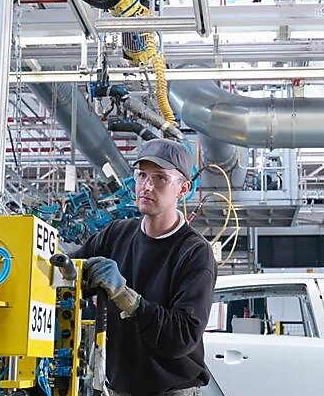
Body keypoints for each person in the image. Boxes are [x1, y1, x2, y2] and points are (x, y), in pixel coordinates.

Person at [75, 139, 218, 396]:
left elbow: (182, 337)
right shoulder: (115, 235)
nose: (147, 186)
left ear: (183, 189)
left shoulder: (195, 253)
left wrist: (126, 297)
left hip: (172, 391)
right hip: (118, 388)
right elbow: (70, 274)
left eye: (161, 178)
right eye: (142, 175)